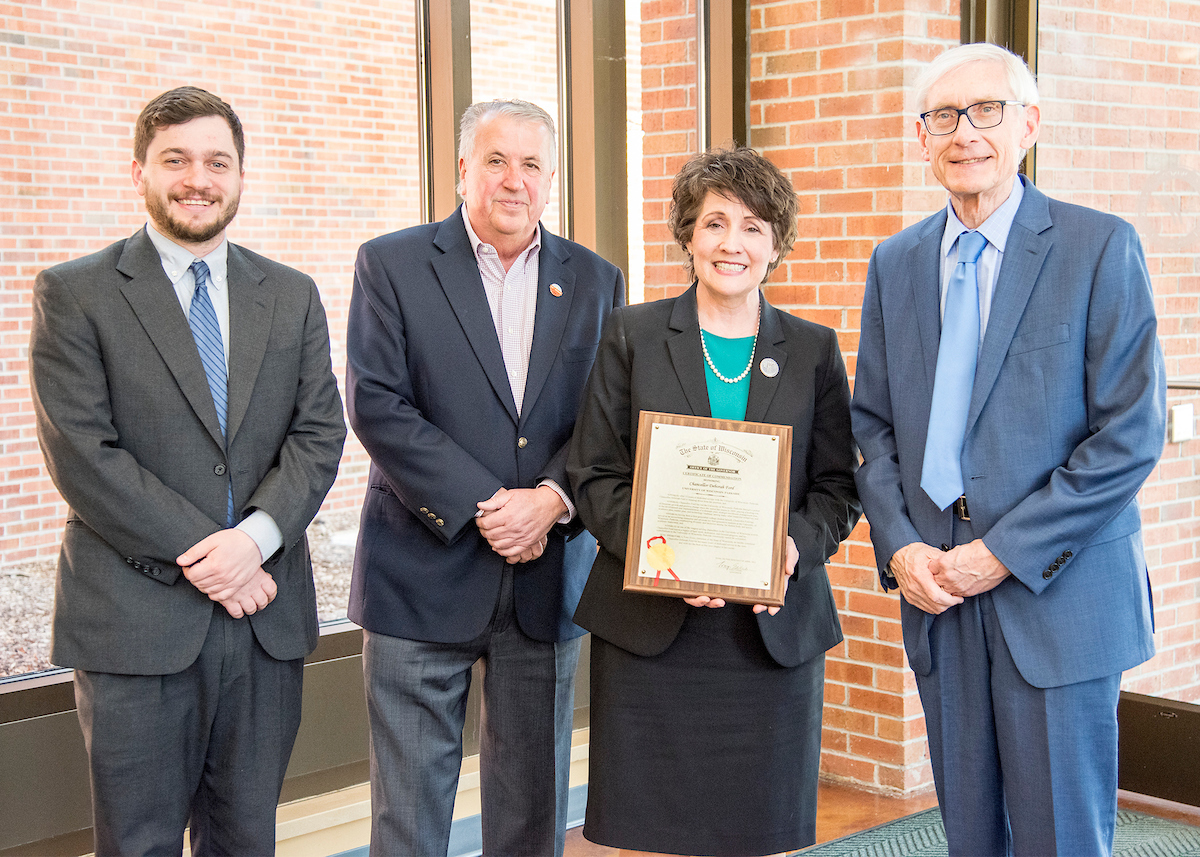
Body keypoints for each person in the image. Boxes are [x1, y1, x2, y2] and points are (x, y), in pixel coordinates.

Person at [850, 43, 1166, 856]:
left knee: (1062, 835)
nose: (965, 133)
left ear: (1027, 123)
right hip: (938, 596)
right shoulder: (895, 263)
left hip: (1055, 597)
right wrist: (903, 547)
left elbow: (1129, 433)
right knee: (970, 834)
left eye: (986, 110)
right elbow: (872, 424)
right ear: (922, 138)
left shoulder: (1098, 247)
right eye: (944, 117)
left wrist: (1000, 553)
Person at [29, 86, 347, 857]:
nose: (197, 178)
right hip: (137, 625)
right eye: (176, 159)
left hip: (264, 623)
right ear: (137, 169)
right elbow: (84, 454)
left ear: (240, 176)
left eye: (217, 161)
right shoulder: (76, 292)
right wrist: (221, 554)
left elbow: (318, 432)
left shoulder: (292, 293)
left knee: (246, 840)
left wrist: (258, 539)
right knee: (136, 844)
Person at [345, 98, 625, 857]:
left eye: (531, 164)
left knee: (533, 813)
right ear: (462, 167)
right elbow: (376, 404)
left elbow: (606, 416)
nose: (513, 180)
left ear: (552, 178)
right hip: (419, 576)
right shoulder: (391, 263)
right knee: (408, 817)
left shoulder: (596, 280)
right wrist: (491, 506)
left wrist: (552, 500)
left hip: (544, 580)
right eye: (496, 160)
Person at [567, 146, 861, 857]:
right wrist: (665, 550)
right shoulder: (632, 335)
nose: (734, 243)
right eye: (716, 223)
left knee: (761, 833)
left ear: (777, 244)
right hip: (651, 632)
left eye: (755, 227)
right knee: (649, 833)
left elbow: (838, 487)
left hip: (770, 638)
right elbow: (594, 474)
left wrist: (790, 546)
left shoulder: (814, 349)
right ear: (689, 237)